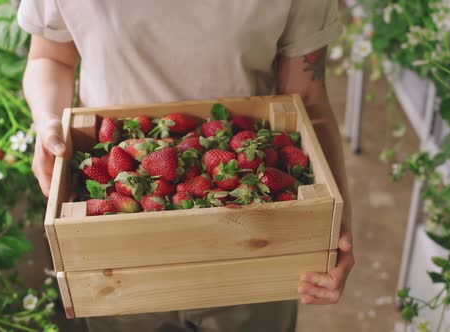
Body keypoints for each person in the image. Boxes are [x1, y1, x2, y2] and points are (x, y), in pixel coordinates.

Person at [18, 1, 354, 331]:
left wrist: (336, 222)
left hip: (254, 227)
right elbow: (51, 57)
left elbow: (307, 98)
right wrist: (48, 121)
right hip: (117, 242)